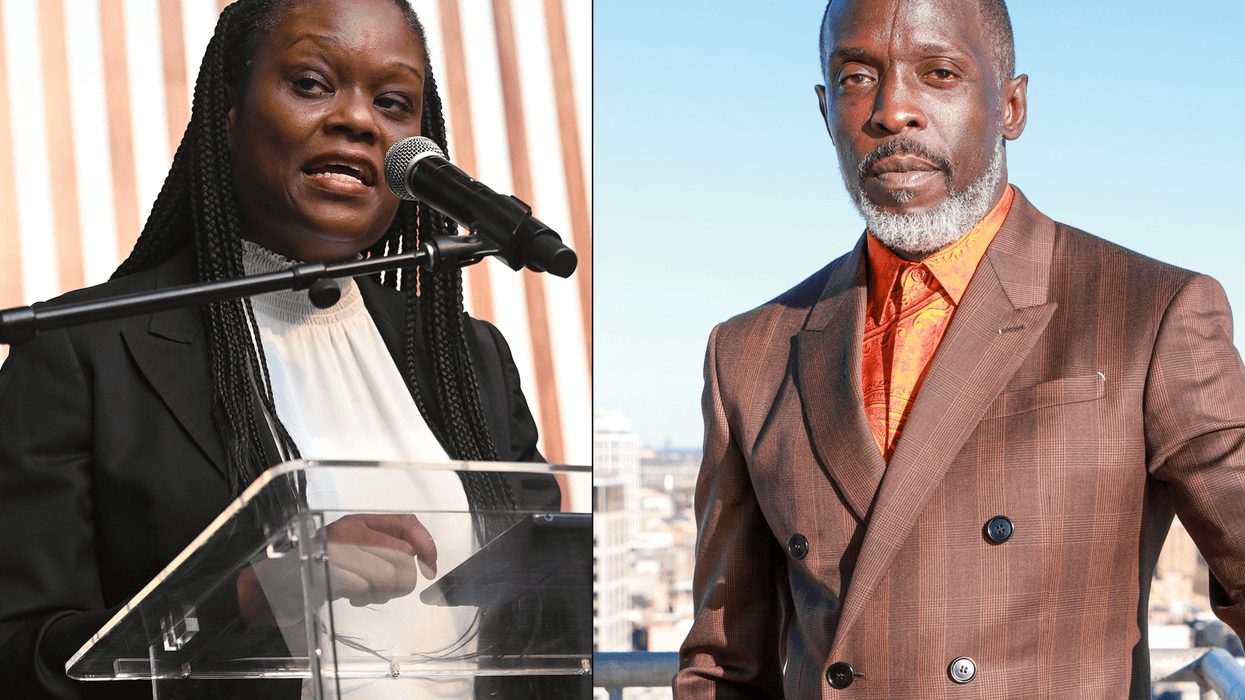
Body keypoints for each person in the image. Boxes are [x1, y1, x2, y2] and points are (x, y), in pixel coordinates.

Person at [675, 0, 1245, 697]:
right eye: (856, 78)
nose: (892, 111)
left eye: (938, 73)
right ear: (824, 110)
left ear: (1010, 106)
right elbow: (724, 663)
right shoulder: (747, 352)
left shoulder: (1150, 310)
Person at [0, 0, 564, 698]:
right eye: (310, 83)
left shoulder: (470, 360)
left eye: (392, 102)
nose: (359, 120)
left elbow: (550, 612)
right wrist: (243, 601)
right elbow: (17, 659)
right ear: (229, 115)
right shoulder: (80, 352)